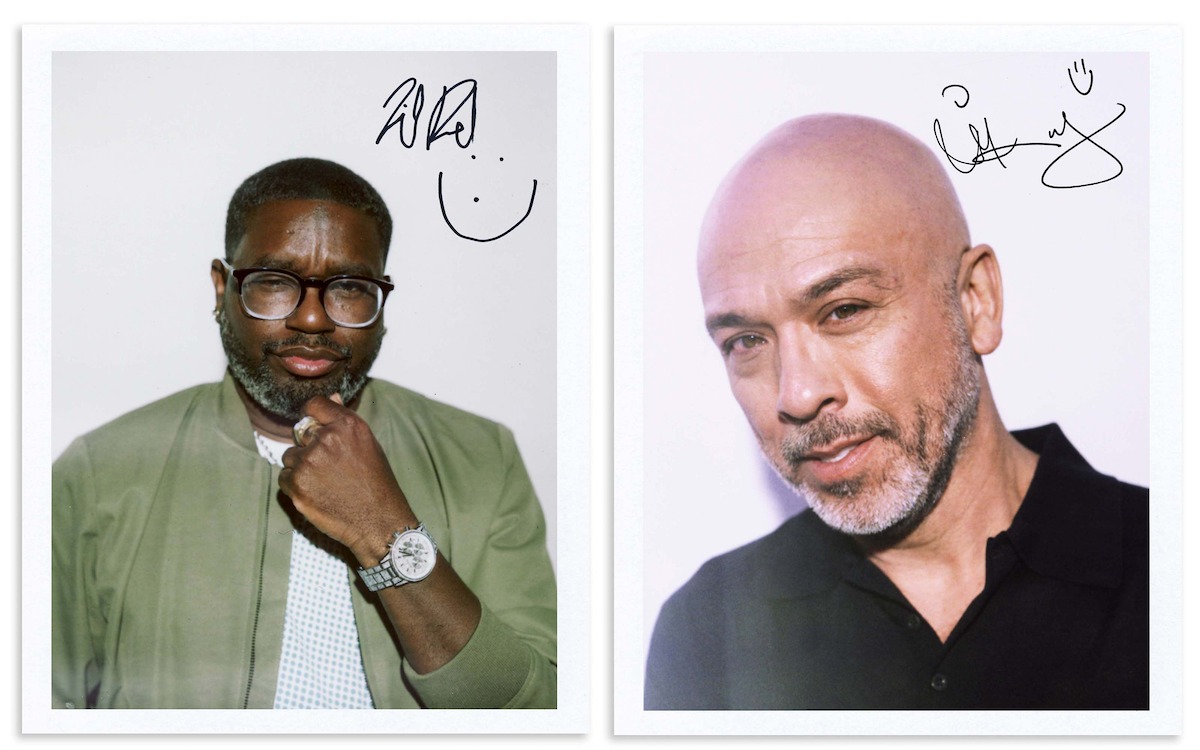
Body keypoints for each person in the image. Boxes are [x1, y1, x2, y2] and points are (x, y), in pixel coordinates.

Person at [644, 114, 1148, 710]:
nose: (797, 395)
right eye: (747, 342)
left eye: (844, 310)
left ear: (975, 302)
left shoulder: (1170, 568)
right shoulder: (707, 633)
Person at [52, 157, 556, 709]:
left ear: (382, 304)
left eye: (349, 288)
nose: (312, 320)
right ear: (222, 289)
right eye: (273, 282)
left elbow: (537, 707)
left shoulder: (484, 458)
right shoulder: (102, 471)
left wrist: (382, 527)